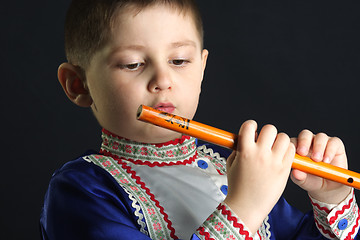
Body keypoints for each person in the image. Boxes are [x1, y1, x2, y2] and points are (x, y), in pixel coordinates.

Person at [40, 0, 360, 239]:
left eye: (179, 60)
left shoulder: (232, 171)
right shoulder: (82, 190)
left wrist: (330, 196)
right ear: (78, 85)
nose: (163, 80)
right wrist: (244, 207)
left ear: (202, 68)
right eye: (133, 64)